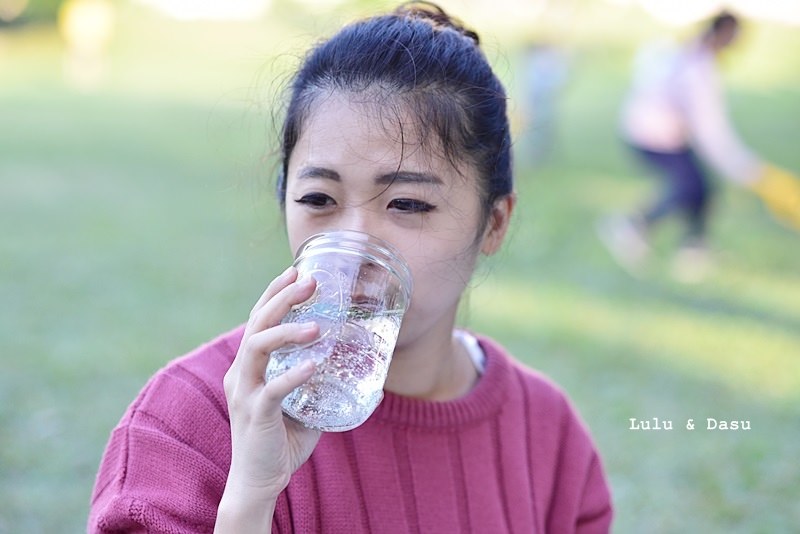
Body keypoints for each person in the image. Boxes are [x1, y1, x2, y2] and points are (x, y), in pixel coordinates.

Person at [88, 3, 613, 532]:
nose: (354, 247)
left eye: (407, 204)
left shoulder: (548, 436)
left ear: (494, 224)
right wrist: (251, 494)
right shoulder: (183, 423)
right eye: (319, 198)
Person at [598, 10, 800, 281]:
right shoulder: (698, 69)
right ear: (723, 34)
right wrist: (744, 167)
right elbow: (710, 131)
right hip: (651, 136)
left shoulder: (685, 52)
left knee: (702, 188)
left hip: (657, 132)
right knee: (690, 186)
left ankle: (693, 248)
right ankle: (634, 227)